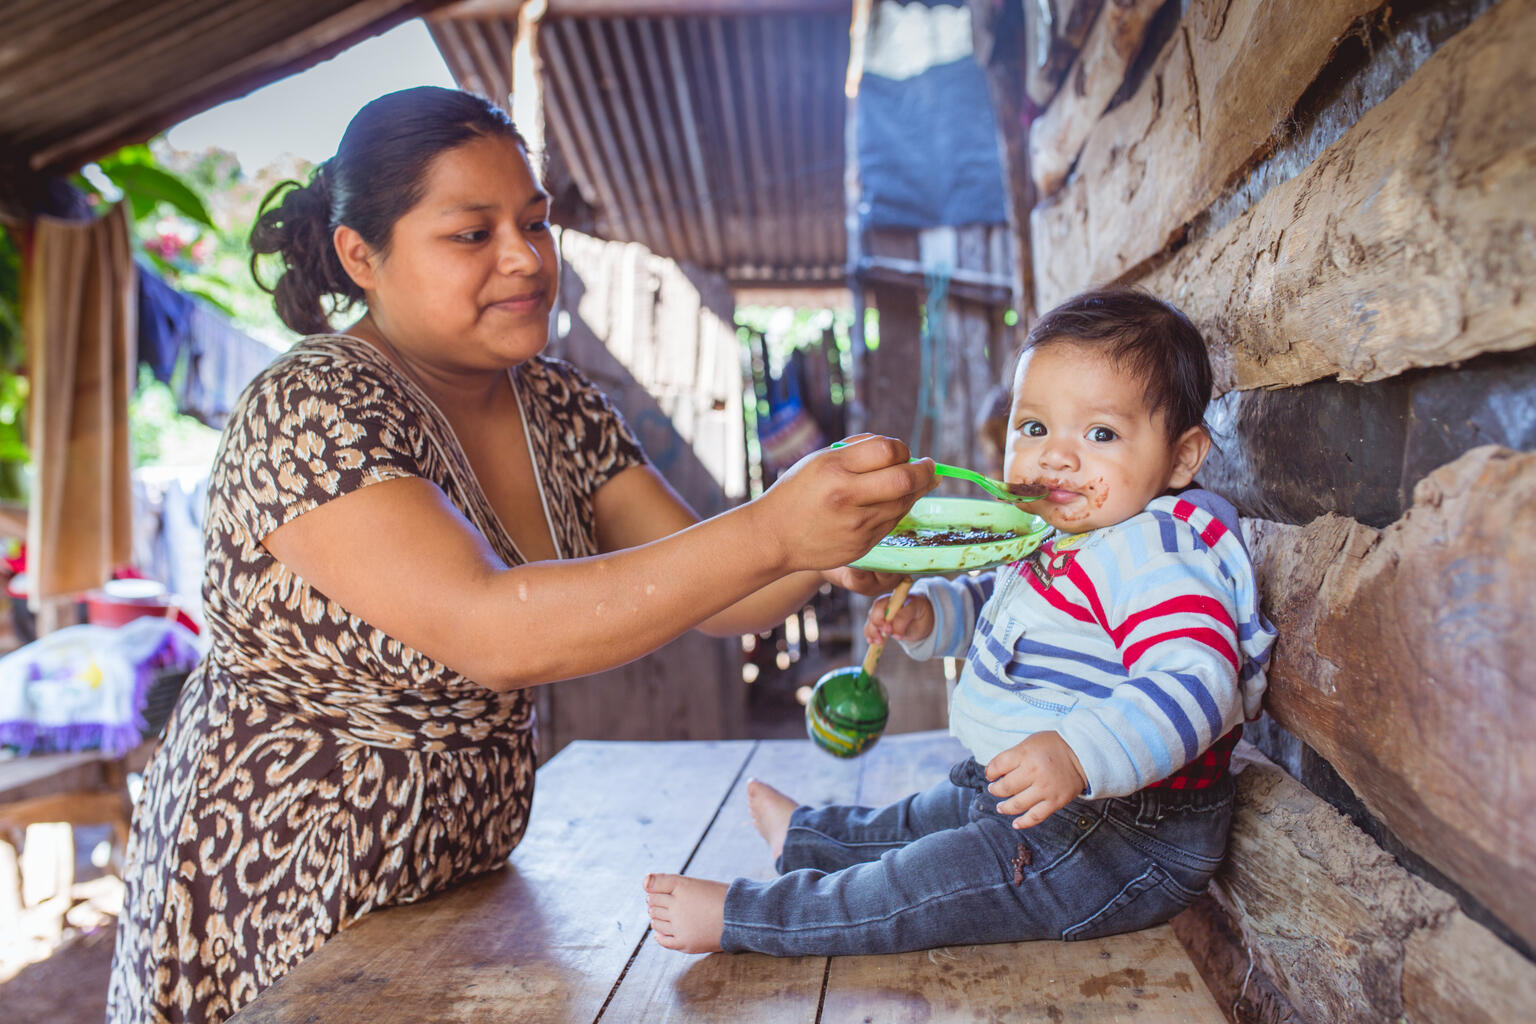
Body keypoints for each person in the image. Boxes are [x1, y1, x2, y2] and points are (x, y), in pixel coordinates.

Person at [106, 86, 933, 1023]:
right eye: (472, 233)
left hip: (461, 880)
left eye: (535, 224)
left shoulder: (554, 401)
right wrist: (777, 530)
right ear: (359, 255)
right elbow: (489, 629)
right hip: (290, 892)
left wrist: (832, 546)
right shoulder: (312, 406)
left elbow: (712, 587)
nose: (524, 258)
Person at [644, 288, 1278, 955]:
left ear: (1181, 457)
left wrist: (1077, 754)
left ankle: (749, 919)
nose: (1056, 456)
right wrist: (930, 616)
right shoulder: (1062, 534)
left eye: (1100, 434)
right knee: (918, 820)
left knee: (913, 886)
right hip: (1042, 795)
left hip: (1119, 836)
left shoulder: (1158, 553)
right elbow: (1003, 608)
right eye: (1034, 428)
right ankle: (810, 837)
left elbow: (1195, 684)